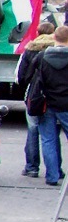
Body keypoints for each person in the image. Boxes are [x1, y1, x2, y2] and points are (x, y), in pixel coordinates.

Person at [17, 22, 60, 179]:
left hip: (35, 96)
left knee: (33, 130)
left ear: (37, 32)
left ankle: (32, 167)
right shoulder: (57, 49)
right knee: (52, 134)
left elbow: (22, 77)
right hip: (58, 97)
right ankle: (56, 170)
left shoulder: (31, 49)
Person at [33, 25, 68, 187]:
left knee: (48, 140)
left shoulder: (42, 57)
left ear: (54, 38)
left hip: (47, 103)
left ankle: (52, 176)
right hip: (66, 104)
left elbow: (31, 77)